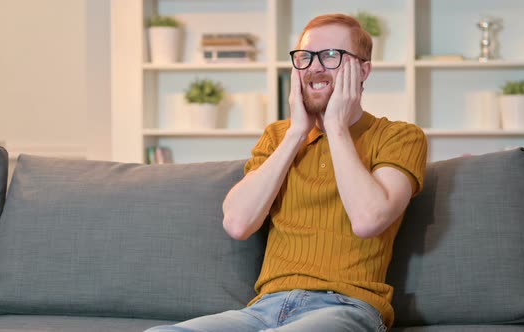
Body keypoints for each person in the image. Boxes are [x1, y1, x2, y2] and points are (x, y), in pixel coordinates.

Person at [145, 13, 427, 332]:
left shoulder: (399, 136)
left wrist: (335, 126)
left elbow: (368, 220)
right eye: (305, 57)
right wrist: (295, 133)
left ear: (363, 70)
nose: (315, 67)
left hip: (347, 308)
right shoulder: (279, 136)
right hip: (265, 309)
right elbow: (237, 223)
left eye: (331, 56)